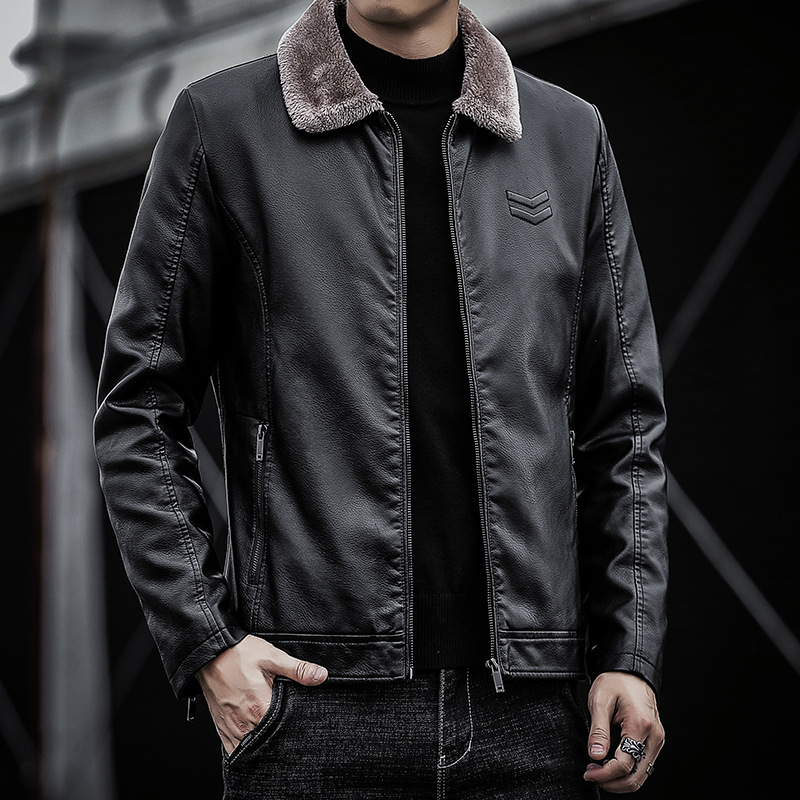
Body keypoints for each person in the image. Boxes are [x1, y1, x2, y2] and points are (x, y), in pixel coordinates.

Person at [94, 0, 668, 796]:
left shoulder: (569, 136)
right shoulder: (222, 126)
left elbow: (625, 425)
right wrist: (207, 641)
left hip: (538, 718)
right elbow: (137, 407)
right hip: (312, 711)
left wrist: (629, 652)